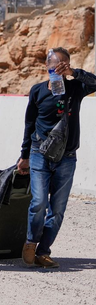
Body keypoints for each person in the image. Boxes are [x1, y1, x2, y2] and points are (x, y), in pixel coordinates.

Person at [17, 47, 96, 269]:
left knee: (58, 208)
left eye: (63, 66)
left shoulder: (75, 88)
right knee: (39, 202)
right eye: (55, 65)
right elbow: (29, 124)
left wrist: (75, 73)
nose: (58, 70)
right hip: (39, 153)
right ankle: (31, 242)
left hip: (67, 156)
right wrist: (24, 155)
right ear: (47, 66)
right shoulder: (37, 91)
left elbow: (95, 82)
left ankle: (44, 251)